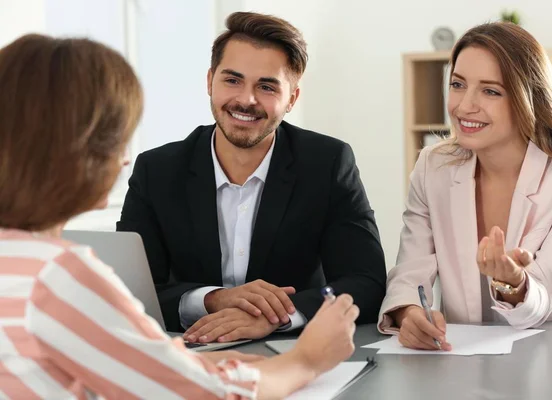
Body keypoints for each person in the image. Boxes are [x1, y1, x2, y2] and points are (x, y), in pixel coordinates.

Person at [0, 33, 359, 400]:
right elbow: (205, 394)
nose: (123, 157)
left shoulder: (23, 266)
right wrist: (307, 361)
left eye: (266, 86)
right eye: (115, 135)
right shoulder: (59, 276)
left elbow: (139, 365)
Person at [117, 11, 386, 340]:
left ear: (292, 99)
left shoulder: (327, 162)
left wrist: (278, 316)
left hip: (295, 353)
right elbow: (129, 293)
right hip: (189, 354)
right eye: (232, 80)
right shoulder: (156, 170)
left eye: (267, 87)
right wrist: (212, 299)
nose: (246, 100)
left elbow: (366, 282)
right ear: (209, 81)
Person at [379, 22, 552, 351]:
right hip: (465, 359)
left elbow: (544, 295)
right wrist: (409, 312)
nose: (464, 105)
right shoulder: (432, 167)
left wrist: (514, 283)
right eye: (457, 84)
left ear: (529, 98)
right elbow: (411, 270)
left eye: (490, 90)